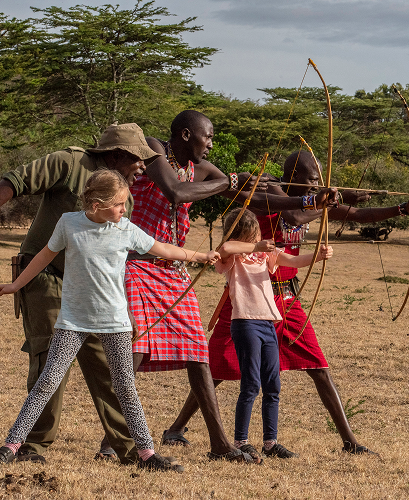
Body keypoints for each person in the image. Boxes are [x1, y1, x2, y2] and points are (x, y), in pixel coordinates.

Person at [98, 110, 339, 464]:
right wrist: (229, 183)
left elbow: (256, 199)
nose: (211, 144)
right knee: (135, 352)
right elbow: (175, 191)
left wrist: (310, 201)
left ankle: (219, 444)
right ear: (184, 135)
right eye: (207, 137)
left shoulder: (204, 171)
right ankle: (113, 440)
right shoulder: (153, 151)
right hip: (138, 264)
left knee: (198, 353)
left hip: (174, 269)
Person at [162, 149, 409, 455]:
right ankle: (175, 428)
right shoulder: (268, 192)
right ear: (293, 177)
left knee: (318, 366)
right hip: (247, 297)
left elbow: (358, 215)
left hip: (287, 299)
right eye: (311, 178)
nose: (316, 183)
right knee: (219, 369)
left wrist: (400, 208)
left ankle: (350, 441)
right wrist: (328, 200)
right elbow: (292, 214)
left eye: (318, 179)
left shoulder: (314, 200)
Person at [0, 169, 220, 470]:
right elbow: (43, 256)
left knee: (125, 386)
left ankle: (146, 455)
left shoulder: (126, 230)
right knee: (47, 382)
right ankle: (11, 445)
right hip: (72, 322)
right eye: (119, 204)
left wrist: (199, 256)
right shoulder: (69, 224)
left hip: (115, 324)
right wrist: (16, 285)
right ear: (97, 204)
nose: (124, 209)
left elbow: (164, 248)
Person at [0, 123, 163, 464]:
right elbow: (12, 183)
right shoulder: (67, 162)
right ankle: (31, 447)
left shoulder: (124, 197)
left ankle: (132, 450)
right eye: (138, 159)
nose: (142, 167)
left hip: (90, 291)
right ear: (119, 154)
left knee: (108, 367)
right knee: (49, 363)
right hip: (44, 277)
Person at [213, 208, 332, 462]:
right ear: (243, 235)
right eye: (252, 234)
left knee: (272, 385)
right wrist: (255, 245)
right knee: (251, 384)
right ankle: (241, 441)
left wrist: (317, 256)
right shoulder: (233, 258)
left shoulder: (265, 255)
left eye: (256, 232)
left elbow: (294, 261)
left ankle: (270, 442)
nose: (257, 236)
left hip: (268, 323)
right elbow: (225, 248)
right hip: (245, 323)